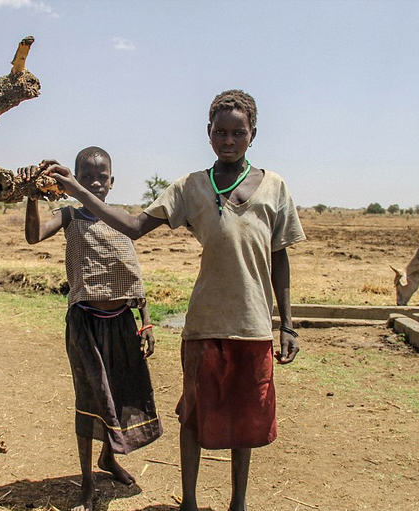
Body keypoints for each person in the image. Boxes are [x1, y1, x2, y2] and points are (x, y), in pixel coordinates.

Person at [40, 90, 306, 511]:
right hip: (203, 323)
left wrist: (287, 323)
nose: (229, 140)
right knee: (194, 416)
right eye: (221, 132)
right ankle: (191, 504)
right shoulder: (191, 187)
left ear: (253, 134)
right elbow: (132, 225)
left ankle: (238, 503)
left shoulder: (275, 188)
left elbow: (280, 257)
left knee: (245, 419)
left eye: (238, 132)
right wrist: (75, 191)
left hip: (254, 323)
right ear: (208, 133)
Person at [19, 146, 162, 511]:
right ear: (75, 180)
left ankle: (108, 459)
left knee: (119, 394)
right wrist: (33, 196)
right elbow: (34, 236)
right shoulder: (68, 215)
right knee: (90, 396)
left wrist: (145, 322)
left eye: (102, 177)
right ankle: (86, 482)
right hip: (85, 322)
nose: (95, 183)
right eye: (87, 177)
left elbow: (133, 274)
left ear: (112, 182)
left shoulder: (122, 220)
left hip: (122, 324)